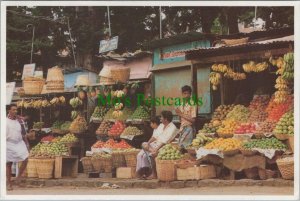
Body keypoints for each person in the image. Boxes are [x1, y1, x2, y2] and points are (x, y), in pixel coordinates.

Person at [136, 111, 178, 180]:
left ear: (166, 119)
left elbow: (165, 142)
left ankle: (154, 174)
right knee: (143, 144)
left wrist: (157, 149)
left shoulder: (172, 128)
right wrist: (148, 143)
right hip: (155, 145)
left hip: (164, 146)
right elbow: (155, 136)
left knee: (152, 154)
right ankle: (152, 151)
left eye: (161, 117)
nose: (160, 118)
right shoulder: (161, 125)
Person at [6, 104, 30, 191]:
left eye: (16, 110)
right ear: (9, 111)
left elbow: (24, 134)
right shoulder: (4, 121)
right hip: (8, 144)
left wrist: (27, 144)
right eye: (13, 110)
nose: (15, 111)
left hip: (19, 143)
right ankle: (9, 184)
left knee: (26, 158)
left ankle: (18, 178)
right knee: (9, 164)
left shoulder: (20, 121)